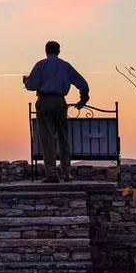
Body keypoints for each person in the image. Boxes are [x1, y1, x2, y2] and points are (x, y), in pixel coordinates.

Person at [23, 41, 90, 183]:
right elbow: (83, 84)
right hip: (60, 101)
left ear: (46, 51)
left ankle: (52, 174)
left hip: (44, 101)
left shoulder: (41, 65)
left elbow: (32, 85)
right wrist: (82, 101)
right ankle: (66, 173)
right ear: (59, 51)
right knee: (63, 137)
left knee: (47, 138)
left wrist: (26, 81)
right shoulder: (65, 66)